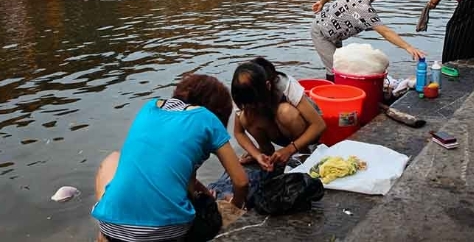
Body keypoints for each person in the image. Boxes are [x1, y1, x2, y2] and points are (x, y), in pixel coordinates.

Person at [92, 74, 249, 242]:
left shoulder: (150, 107)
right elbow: (241, 182)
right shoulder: (207, 118)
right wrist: (234, 207)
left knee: (112, 159)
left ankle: (107, 231)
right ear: (219, 112)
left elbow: (166, 168)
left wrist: (203, 192)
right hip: (168, 232)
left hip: (111, 227)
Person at [311, 0, 426, 81]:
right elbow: (385, 32)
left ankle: (339, 91)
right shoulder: (365, 10)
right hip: (321, 33)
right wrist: (408, 47)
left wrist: (322, 2)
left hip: (332, 33)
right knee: (335, 68)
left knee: (340, 65)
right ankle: (331, 95)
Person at [231, 57, 326, 171]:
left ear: (268, 86)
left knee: (285, 111)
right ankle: (266, 153)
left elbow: (319, 125)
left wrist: (290, 149)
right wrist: (256, 154)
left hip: (303, 132)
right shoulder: (242, 95)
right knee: (245, 116)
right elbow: (239, 132)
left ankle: (304, 152)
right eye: (247, 104)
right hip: (276, 131)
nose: (252, 107)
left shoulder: (285, 85)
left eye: (256, 103)